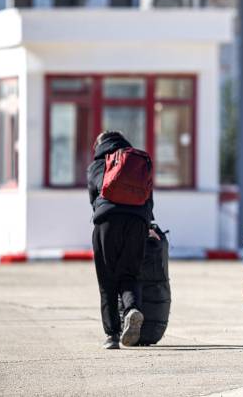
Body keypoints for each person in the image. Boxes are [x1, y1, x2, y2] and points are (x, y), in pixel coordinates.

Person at [87, 131, 155, 349]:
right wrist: (149, 225)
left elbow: (95, 196)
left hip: (107, 222)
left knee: (107, 280)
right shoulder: (137, 161)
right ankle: (131, 309)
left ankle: (112, 335)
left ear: (99, 145)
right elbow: (148, 197)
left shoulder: (98, 164)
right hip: (138, 222)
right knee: (130, 273)